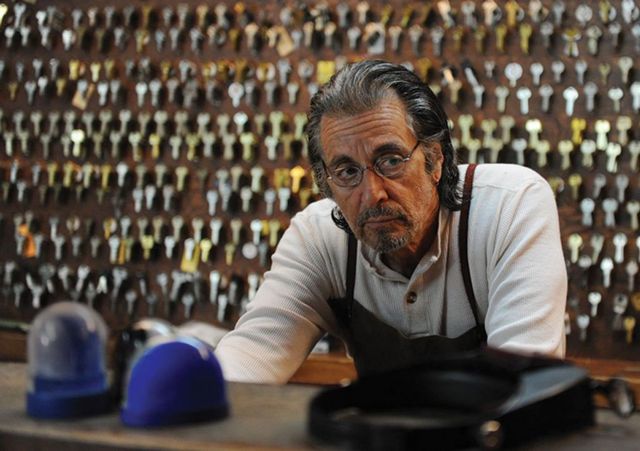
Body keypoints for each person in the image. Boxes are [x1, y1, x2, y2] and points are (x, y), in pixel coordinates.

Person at [212, 60, 567, 383]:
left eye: (391, 161)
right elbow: (250, 358)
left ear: (435, 160)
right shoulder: (318, 238)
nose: (372, 194)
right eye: (347, 171)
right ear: (326, 183)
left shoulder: (508, 207)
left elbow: (525, 380)